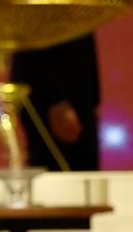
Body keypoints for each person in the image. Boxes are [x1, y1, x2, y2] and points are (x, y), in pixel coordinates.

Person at [11, 33, 102, 171]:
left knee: (84, 168)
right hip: (47, 99)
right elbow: (36, 48)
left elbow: (88, 49)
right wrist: (57, 100)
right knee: (52, 167)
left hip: (81, 100)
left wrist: (94, 100)